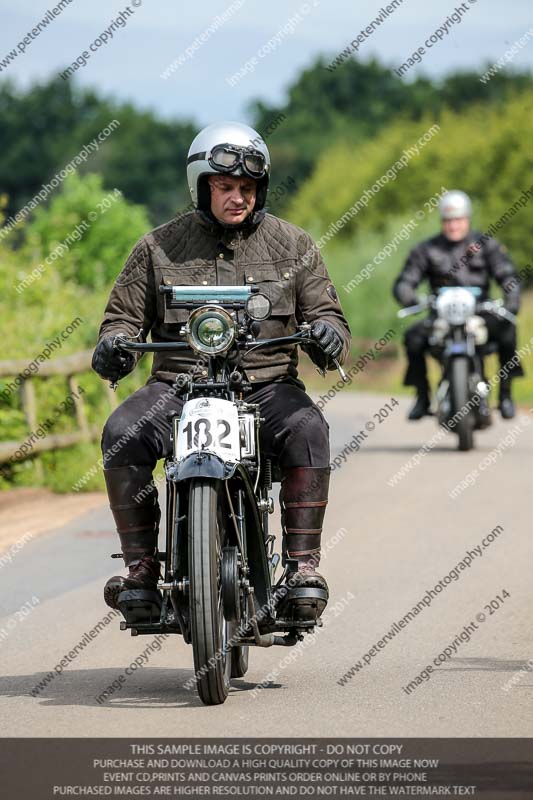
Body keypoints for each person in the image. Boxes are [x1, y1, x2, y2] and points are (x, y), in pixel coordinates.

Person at [91, 121, 351, 611]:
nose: (238, 197)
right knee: (121, 430)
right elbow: (120, 320)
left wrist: (327, 335)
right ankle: (141, 568)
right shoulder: (156, 248)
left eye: (247, 188)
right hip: (177, 386)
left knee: (309, 428)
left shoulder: (295, 246)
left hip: (267, 386)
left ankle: (301, 568)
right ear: (201, 186)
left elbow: (328, 314)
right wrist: (114, 345)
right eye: (226, 186)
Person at [393, 190, 523, 421]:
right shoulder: (427, 249)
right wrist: (408, 296)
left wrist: (512, 301)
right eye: (449, 220)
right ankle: (422, 396)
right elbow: (406, 280)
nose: (454, 225)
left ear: (468, 219)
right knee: (413, 337)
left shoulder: (487, 246)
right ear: (442, 221)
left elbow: (507, 275)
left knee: (508, 331)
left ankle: (505, 395)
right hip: (440, 315)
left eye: (458, 219)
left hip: (480, 312)